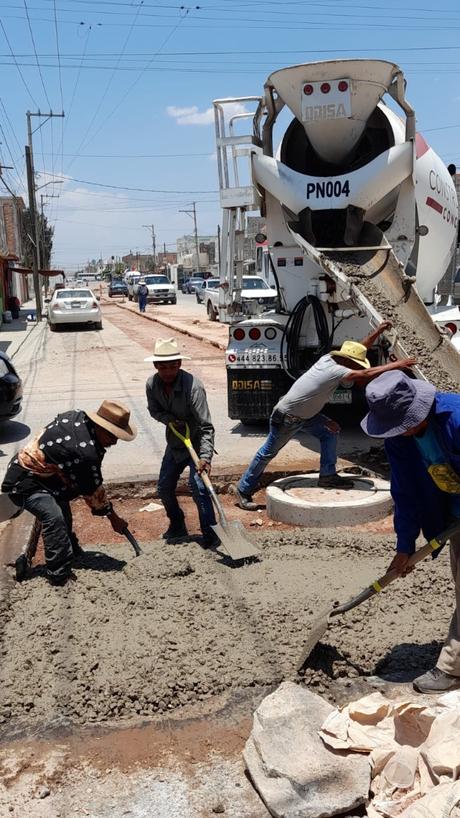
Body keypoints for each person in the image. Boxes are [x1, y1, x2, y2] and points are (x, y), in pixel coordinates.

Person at [235, 322, 416, 510]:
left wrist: (378, 330)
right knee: (267, 453)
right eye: (356, 361)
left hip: (306, 415)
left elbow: (359, 349)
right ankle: (243, 489)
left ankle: (327, 476)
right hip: (288, 417)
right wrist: (398, 365)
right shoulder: (336, 370)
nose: (357, 363)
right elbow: (365, 373)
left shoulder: (328, 358)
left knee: (331, 430)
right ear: (348, 361)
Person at [361, 370, 460, 694]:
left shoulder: (456, 418)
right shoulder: (400, 441)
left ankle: (452, 668)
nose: (400, 433)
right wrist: (404, 547)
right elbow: (406, 494)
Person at [1, 401, 136, 586]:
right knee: (54, 518)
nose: (114, 441)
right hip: (24, 482)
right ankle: (58, 575)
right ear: (98, 425)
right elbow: (93, 492)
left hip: (51, 479)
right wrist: (114, 518)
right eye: (112, 435)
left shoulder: (77, 418)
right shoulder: (84, 452)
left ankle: (71, 551)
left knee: (64, 512)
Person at [145, 337, 218, 548]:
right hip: (176, 443)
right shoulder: (152, 384)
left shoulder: (194, 387)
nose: (168, 372)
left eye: (172, 366)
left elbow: (206, 426)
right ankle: (177, 524)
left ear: (179, 364)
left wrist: (205, 458)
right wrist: (169, 420)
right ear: (156, 366)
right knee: (164, 488)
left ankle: (210, 533)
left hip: (196, 443)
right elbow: (154, 410)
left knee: (200, 488)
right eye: (163, 367)